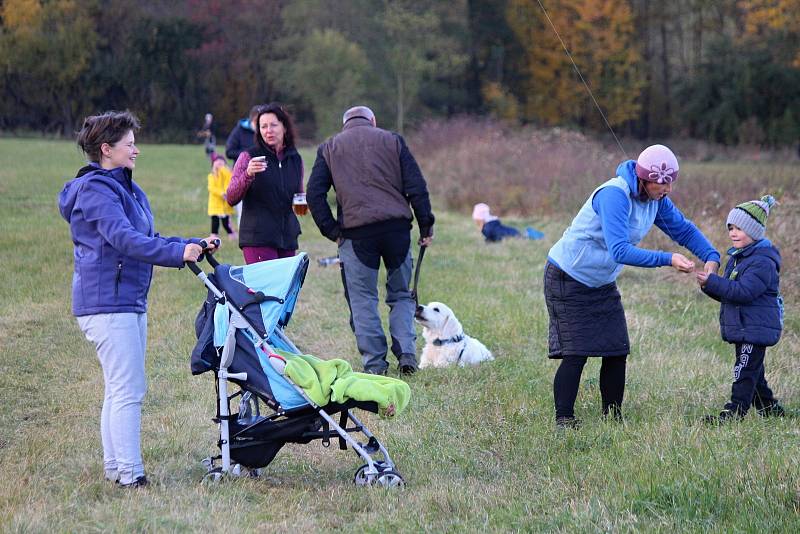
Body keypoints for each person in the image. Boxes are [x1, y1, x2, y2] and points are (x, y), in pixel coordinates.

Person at [58, 110, 218, 487]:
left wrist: (189, 244)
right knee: (128, 388)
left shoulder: (127, 188)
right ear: (106, 149)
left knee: (120, 387)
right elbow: (124, 239)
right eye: (130, 144)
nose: (137, 150)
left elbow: (149, 235)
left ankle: (117, 469)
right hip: (107, 304)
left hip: (126, 301)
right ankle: (131, 475)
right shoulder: (97, 190)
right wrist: (176, 255)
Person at [544, 144, 721, 428]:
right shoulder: (614, 195)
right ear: (644, 178)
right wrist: (667, 258)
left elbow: (683, 230)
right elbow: (620, 251)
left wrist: (711, 256)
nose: (667, 189)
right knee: (576, 352)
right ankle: (564, 419)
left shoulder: (656, 200)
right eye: (661, 183)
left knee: (616, 349)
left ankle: (613, 418)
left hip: (601, 281)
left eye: (671, 182)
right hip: (568, 276)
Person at [307, 105, 435, 375]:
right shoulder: (393, 140)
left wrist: (332, 230)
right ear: (372, 121)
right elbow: (417, 186)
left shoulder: (329, 148)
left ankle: (376, 365)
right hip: (397, 231)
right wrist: (425, 226)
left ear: (345, 124)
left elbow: (314, 195)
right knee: (401, 295)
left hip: (356, 235)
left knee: (363, 298)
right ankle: (407, 353)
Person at [696, 195, 785, 423]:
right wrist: (708, 284)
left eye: (739, 229)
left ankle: (734, 413)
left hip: (755, 327)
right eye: (730, 228)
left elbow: (744, 292)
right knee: (754, 371)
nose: (733, 233)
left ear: (754, 231)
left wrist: (714, 282)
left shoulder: (762, 262)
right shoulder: (738, 258)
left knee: (744, 370)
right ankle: (769, 408)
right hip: (745, 326)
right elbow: (729, 293)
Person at [226, 103, 304, 264]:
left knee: (286, 289)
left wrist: (304, 202)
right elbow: (231, 197)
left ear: (284, 127)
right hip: (258, 238)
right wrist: (248, 174)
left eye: (273, 125)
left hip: (287, 237)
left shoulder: (295, 159)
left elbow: (299, 197)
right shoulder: (248, 156)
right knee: (265, 289)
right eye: (263, 126)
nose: (268, 130)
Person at [472, 202, 543, 242]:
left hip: (510, 234)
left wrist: (481, 229)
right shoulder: (491, 223)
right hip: (510, 231)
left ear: (481, 219)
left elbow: (490, 235)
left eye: (477, 221)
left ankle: (531, 234)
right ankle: (528, 234)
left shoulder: (487, 228)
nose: (476, 223)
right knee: (521, 235)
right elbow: (491, 238)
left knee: (522, 237)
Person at [207, 153, 237, 240]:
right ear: (213, 164)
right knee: (215, 222)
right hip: (215, 204)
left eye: (221, 161)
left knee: (225, 223)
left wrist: (223, 169)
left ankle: (232, 234)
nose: (219, 163)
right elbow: (212, 188)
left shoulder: (226, 173)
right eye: (217, 161)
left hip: (225, 205)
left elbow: (230, 180)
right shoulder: (212, 176)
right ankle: (213, 237)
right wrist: (222, 193)